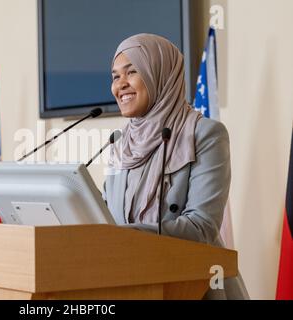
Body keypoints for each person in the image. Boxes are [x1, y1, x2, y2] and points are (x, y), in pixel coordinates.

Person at [103, 34, 249, 300]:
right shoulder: (120, 145)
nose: (120, 85)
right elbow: (104, 214)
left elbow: (201, 227)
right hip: (130, 285)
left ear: (160, 74)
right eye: (115, 77)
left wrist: (126, 236)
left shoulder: (205, 134)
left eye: (132, 72)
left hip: (194, 285)